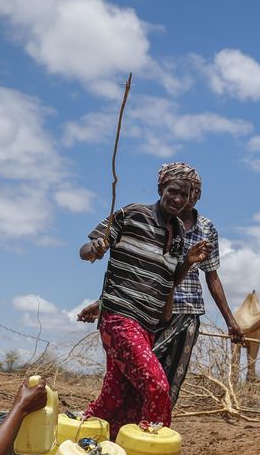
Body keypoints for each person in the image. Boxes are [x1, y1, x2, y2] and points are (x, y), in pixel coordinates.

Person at [79, 163, 244, 405]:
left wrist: (231, 321)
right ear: (164, 189)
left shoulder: (206, 229)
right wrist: (102, 303)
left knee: (169, 382)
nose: (188, 197)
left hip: (186, 311)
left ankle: (153, 431)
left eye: (193, 192)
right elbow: (137, 273)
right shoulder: (147, 220)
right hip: (149, 313)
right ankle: (127, 428)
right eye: (178, 190)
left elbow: (212, 276)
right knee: (137, 376)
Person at [80, 166, 208, 436]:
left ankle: (87, 441)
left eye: (184, 195)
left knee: (116, 395)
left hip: (147, 326)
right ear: (161, 189)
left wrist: (187, 263)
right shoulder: (133, 214)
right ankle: (150, 453)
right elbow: (87, 248)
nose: (177, 199)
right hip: (119, 318)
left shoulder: (179, 236)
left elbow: (167, 281)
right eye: (173, 191)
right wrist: (95, 249)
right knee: (157, 386)